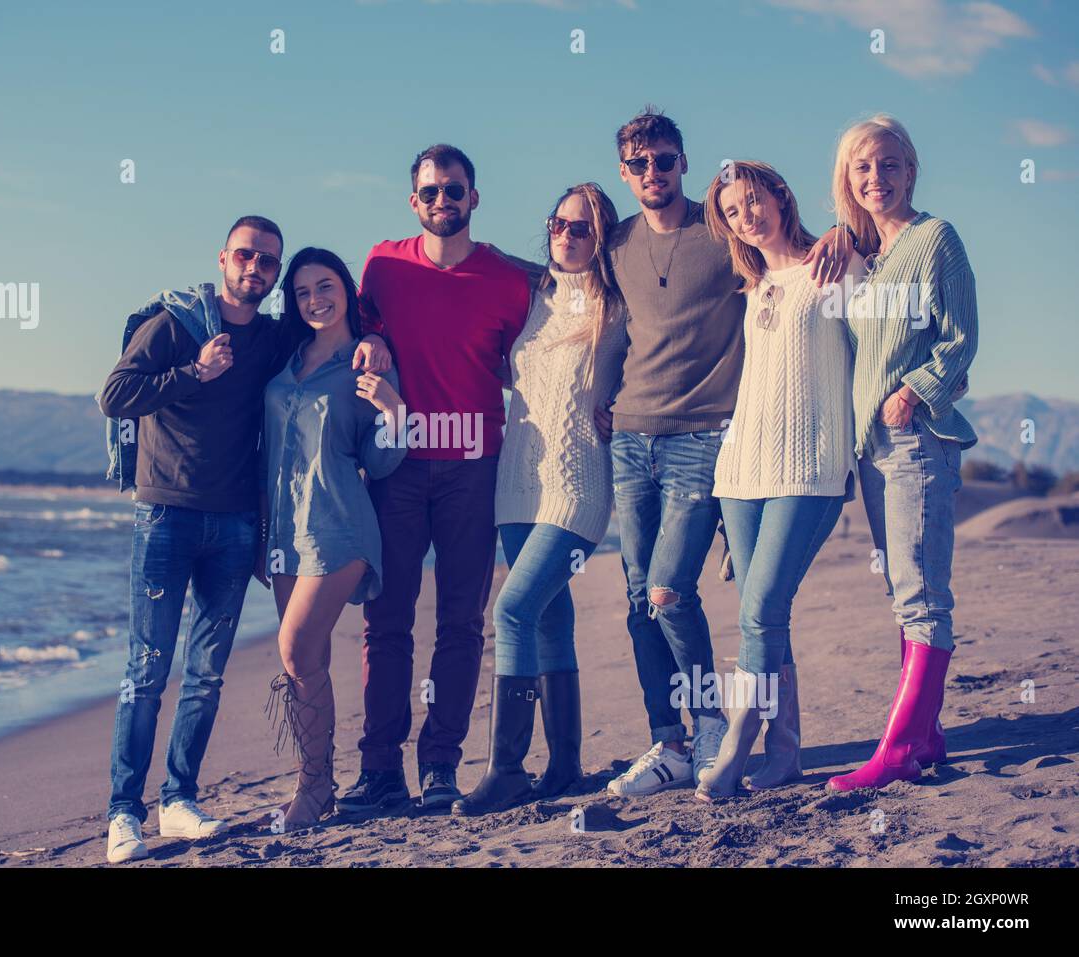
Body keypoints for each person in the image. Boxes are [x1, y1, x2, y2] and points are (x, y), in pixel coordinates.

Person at [98, 218, 389, 863]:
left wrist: (373, 341)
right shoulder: (175, 324)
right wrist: (191, 375)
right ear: (223, 258)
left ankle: (179, 799)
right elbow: (114, 396)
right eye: (246, 256)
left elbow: (331, 322)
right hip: (167, 515)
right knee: (147, 670)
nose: (256, 268)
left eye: (268, 262)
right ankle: (125, 812)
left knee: (205, 673)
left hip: (236, 526)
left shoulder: (271, 339)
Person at [598, 107, 853, 798]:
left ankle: (721, 730)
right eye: (640, 164)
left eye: (666, 160)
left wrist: (841, 229)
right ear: (625, 173)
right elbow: (582, 308)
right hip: (665, 444)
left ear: (682, 162)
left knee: (679, 590)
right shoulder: (622, 245)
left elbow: (850, 252)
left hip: (716, 443)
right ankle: (683, 741)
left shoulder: (746, 241)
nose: (654, 172)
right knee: (643, 598)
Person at [340, 144, 537, 814]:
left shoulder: (509, 280)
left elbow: (538, 351)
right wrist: (376, 343)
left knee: (461, 621)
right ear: (413, 201)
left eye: (455, 191)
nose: (443, 202)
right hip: (396, 466)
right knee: (385, 620)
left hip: (474, 470)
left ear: (474, 198)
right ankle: (379, 769)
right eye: (430, 192)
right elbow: (357, 331)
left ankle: (441, 766)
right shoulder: (383, 265)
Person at [451, 184, 628, 815]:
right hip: (516, 485)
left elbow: (660, 362)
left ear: (603, 237)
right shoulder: (531, 299)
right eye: (558, 223)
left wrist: (626, 412)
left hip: (578, 485)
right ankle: (564, 765)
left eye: (582, 228)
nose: (567, 235)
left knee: (512, 612)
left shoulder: (617, 306)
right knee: (552, 618)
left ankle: (505, 768)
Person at [694, 161, 863, 801]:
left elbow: (872, 348)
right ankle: (785, 750)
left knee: (762, 608)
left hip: (811, 464)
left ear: (780, 196)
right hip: (742, 469)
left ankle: (735, 748)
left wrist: (845, 232)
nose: (747, 217)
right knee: (761, 613)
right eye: (733, 212)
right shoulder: (752, 284)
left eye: (754, 201)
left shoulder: (834, 265)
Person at [825, 115, 978, 792]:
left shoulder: (935, 238)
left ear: (910, 171)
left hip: (918, 441)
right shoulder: (864, 260)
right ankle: (930, 734)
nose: (876, 178)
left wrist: (916, 391)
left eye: (889, 164)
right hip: (871, 450)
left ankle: (896, 749)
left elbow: (960, 336)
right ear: (848, 179)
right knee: (899, 589)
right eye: (863, 167)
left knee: (922, 594)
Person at [261, 248, 408, 830]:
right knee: (309, 661)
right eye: (302, 292)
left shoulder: (367, 362)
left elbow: (382, 461)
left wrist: (395, 412)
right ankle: (316, 786)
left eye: (326, 286)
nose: (315, 299)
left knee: (294, 650)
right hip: (281, 529)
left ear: (346, 290)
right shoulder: (286, 356)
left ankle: (315, 785)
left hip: (338, 523)